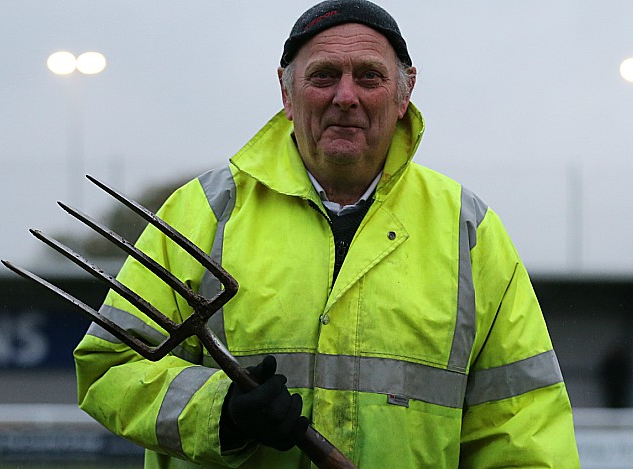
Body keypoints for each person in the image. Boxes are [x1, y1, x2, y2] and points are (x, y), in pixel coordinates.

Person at [74, 1, 581, 467]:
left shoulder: (467, 230)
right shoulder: (202, 212)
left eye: (368, 76)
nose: (346, 96)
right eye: (323, 76)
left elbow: (523, 424)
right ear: (285, 92)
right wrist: (220, 413)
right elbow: (109, 368)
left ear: (405, 94)